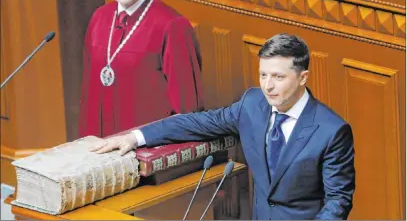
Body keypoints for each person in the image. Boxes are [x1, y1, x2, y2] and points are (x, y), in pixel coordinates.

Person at [89, 33, 356, 220]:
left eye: (278, 77)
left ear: (302, 77)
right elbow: (198, 123)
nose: (268, 85)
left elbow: (337, 201)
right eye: (263, 74)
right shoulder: (252, 104)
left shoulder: (331, 131)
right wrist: (136, 136)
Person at [79, 0, 204, 137]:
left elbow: (187, 107)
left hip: (147, 147)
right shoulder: (99, 17)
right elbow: (88, 94)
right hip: (101, 145)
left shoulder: (172, 25)